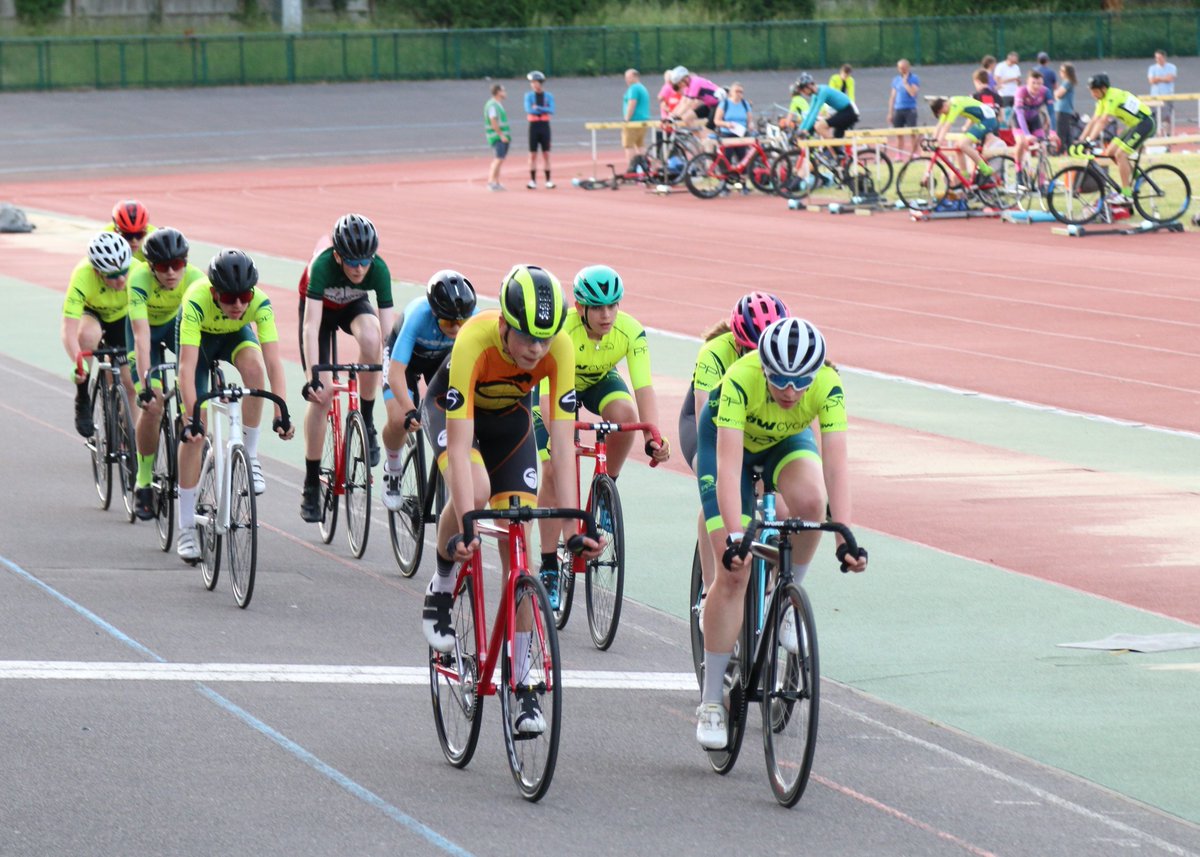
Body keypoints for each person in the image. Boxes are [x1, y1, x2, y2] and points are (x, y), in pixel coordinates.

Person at [419, 264, 601, 734]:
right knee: (475, 495)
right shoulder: (473, 341)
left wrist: (577, 529)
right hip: (454, 417)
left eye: (544, 340)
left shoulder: (557, 348)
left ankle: (523, 687)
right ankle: (441, 583)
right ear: (503, 324)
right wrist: (465, 523)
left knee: (520, 549)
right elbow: (459, 449)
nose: (536, 350)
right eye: (526, 339)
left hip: (510, 426)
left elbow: (562, 450)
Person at [694, 317, 867, 749]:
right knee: (734, 572)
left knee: (812, 503)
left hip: (785, 444)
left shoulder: (828, 384)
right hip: (727, 444)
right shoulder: (740, 379)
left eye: (800, 382)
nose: (790, 391)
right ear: (763, 367)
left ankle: (787, 600)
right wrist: (735, 538)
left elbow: (837, 463)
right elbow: (730, 466)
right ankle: (712, 701)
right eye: (780, 380)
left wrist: (844, 532)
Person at [533, 265, 670, 607]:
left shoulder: (630, 331)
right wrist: (559, 442)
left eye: (612, 306)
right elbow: (550, 398)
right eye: (597, 307)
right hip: (554, 388)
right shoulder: (560, 331)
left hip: (596, 382)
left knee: (627, 416)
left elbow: (644, 387)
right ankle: (549, 564)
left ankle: (606, 491)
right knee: (552, 471)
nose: (606, 314)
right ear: (580, 308)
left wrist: (653, 435)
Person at [175, 250, 294, 562]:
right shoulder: (196, 300)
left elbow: (273, 361)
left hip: (233, 338)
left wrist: (281, 411)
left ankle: (250, 454)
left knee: (254, 370)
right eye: (229, 297)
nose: (238, 304)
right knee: (195, 435)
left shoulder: (259, 304)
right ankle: (186, 527)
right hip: (199, 345)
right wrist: (191, 419)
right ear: (215, 292)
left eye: (244, 296)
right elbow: (186, 369)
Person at [678, 292, 787, 621]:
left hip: (757, 429)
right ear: (737, 344)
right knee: (714, 490)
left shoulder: (785, 355)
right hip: (707, 429)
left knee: (782, 506)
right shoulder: (714, 353)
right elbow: (705, 424)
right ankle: (712, 590)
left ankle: (774, 590)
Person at [298, 214, 393, 523]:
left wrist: (392, 371)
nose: (359, 268)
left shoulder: (378, 270)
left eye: (365, 261)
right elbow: (311, 327)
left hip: (352, 306)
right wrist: (314, 376)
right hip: (320, 314)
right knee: (322, 396)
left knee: (371, 337)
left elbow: (388, 334)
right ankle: (312, 482)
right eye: (351, 261)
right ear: (338, 255)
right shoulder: (322, 266)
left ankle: (366, 420)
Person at [379, 270, 477, 511]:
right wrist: (410, 409)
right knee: (399, 418)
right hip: (406, 363)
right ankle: (393, 469)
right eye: (447, 322)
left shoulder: (471, 318)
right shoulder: (418, 316)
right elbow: (395, 373)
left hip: (441, 363)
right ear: (434, 313)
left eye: (460, 322)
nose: (455, 328)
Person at [126, 228, 204, 520]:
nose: (171, 273)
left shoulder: (197, 280)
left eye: (178, 265)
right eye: (162, 267)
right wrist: (146, 385)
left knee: (193, 396)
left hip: (177, 329)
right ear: (150, 266)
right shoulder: (138, 280)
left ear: (186, 262)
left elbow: (197, 337)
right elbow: (141, 337)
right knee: (153, 404)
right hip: (147, 332)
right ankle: (143, 480)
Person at [63, 232, 136, 438]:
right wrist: (79, 364)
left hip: (121, 317)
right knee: (87, 334)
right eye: (112, 275)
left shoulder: (138, 271)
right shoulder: (82, 276)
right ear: (97, 271)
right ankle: (83, 396)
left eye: (124, 271)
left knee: (129, 381)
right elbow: (68, 330)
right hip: (92, 313)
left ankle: (128, 433)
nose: (121, 279)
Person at [1074, 73, 1156, 205]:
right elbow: (1093, 120)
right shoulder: (1102, 100)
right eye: (1091, 91)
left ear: (1104, 89)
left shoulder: (1113, 96)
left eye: (1095, 91)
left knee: (1121, 154)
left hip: (1145, 123)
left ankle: (1126, 195)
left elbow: (1103, 121)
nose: (1093, 94)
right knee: (1110, 152)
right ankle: (1138, 178)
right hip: (1134, 125)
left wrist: (1090, 140)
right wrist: (1080, 140)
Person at [928, 95, 1001, 188]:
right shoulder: (947, 106)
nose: (944, 114)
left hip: (988, 120)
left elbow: (946, 126)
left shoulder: (954, 105)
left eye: (943, 112)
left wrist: (938, 142)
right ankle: (965, 176)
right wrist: (932, 140)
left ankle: (986, 169)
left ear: (944, 106)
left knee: (963, 144)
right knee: (958, 146)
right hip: (981, 121)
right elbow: (939, 126)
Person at [794, 72, 858, 141]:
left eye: (803, 91)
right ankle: (836, 150)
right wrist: (800, 130)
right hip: (841, 112)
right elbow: (810, 113)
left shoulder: (823, 92)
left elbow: (815, 112)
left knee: (819, 126)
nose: (804, 93)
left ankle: (837, 150)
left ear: (809, 86)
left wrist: (805, 130)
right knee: (831, 137)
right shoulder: (815, 95)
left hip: (849, 112)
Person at [1013, 70, 1051, 185]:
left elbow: (1052, 112)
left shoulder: (1045, 91)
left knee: (1043, 148)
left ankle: (1041, 181)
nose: (1036, 86)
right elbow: (1020, 114)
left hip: (1034, 120)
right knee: (1021, 142)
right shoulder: (1021, 91)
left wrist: (1053, 132)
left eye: (1039, 83)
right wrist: (1027, 134)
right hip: (1019, 121)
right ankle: (1018, 172)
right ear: (1027, 82)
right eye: (1033, 83)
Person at [669, 65, 725, 132]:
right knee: (686, 117)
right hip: (710, 105)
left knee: (707, 130)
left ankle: (706, 136)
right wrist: (672, 115)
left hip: (719, 106)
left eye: (679, 83)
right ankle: (699, 138)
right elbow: (682, 102)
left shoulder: (695, 82)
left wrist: (676, 115)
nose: (680, 86)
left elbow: (689, 103)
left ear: (685, 79)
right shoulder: (687, 86)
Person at [524, 71, 555, 189]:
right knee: (532, 154)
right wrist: (543, 109)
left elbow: (552, 109)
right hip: (533, 125)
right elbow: (529, 110)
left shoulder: (548, 96)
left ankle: (548, 180)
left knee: (546, 153)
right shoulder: (528, 96)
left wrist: (538, 108)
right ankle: (532, 180)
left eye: (535, 82)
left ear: (540, 83)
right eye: (531, 82)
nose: (533, 84)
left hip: (544, 125)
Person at [887, 59, 920, 159]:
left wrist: (906, 83)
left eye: (904, 68)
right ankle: (899, 154)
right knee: (898, 134)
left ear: (908, 67)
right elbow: (892, 96)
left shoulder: (914, 78)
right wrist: (890, 112)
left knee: (912, 133)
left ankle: (914, 154)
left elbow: (913, 93)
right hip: (898, 109)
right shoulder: (896, 80)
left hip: (910, 109)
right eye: (900, 68)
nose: (902, 70)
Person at [622, 68, 652, 166]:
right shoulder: (642, 88)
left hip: (634, 121)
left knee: (628, 145)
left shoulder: (634, 88)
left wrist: (627, 118)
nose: (626, 80)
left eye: (628, 77)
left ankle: (631, 166)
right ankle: (644, 166)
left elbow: (632, 103)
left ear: (635, 76)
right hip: (643, 120)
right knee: (640, 144)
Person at [484, 83, 510, 192]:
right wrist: (501, 135)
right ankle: (491, 182)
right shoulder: (492, 105)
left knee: (501, 159)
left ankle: (496, 181)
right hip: (496, 137)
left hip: (501, 136)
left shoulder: (497, 104)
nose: (505, 93)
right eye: (503, 91)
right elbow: (493, 121)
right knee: (498, 159)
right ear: (498, 92)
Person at [1148, 50, 1177, 136]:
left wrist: (1158, 78)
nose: (1157, 60)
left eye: (1159, 58)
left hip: (1167, 96)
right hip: (1154, 96)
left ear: (1164, 57)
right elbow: (1151, 81)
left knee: (1166, 117)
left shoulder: (1172, 67)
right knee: (1153, 117)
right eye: (1156, 58)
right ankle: (1155, 135)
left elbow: (1170, 79)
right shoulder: (1152, 68)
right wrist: (1164, 78)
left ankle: (1167, 135)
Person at [1055, 63, 1078, 150]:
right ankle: (1070, 149)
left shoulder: (1067, 82)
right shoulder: (1067, 82)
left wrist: (1055, 93)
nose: (1060, 72)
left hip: (1062, 109)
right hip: (1066, 109)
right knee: (1067, 131)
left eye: (1062, 71)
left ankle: (1059, 150)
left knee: (1060, 132)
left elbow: (1059, 94)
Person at [994, 51, 1021, 122]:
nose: (1016, 61)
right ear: (1009, 58)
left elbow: (1018, 80)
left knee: (1014, 113)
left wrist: (1018, 83)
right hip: (1004, 93)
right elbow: (997, 81)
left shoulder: (1016, 67)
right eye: (1015, 59)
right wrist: (1012, 79)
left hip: (1014, 93)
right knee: (1005, 112)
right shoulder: (1000, 66)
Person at [1036, 52, 1058, 118]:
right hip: (1048, 95)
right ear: (1047, 61)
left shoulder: (1034, 71)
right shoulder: (1051, 71)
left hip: (1037, 95)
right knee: (1050, 113)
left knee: (1037, 112)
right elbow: (1055, 85)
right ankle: (1049, 126)